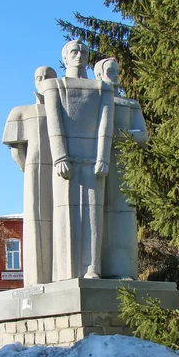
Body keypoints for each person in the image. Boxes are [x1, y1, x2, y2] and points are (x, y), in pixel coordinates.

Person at [41, 41, 115, 280]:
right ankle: (67, 270)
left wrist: (102, 157)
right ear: (65, 57)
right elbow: (54, 122)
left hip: (93, 160)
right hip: (67, 162)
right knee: (66, 216)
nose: (80, 55)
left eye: (83, 51)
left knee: (93, 216)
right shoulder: (55, 86)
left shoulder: (102, 88)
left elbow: (106, 124)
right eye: (74, 51)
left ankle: (92, 268)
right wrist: (60, 156)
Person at [2, 66, 57, 286]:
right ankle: (37, 279)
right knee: (36, 220)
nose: (43, 81)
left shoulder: (65, 112)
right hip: (35, 169)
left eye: (48, 77)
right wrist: (28, 169)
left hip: (64, 171)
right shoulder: (21, 111)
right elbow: (16, 149)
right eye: (39, 78)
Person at [94, 58, 148, 279]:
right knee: (98, 218)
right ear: (99, 75)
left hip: (123, 164)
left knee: (123, 218)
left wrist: (121, 136)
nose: (115, 75)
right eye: (109, 71)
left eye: (117, 71)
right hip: (97, 165)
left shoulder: (129, 104)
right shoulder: (94, 104)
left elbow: (143, 135)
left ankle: (123, 271)